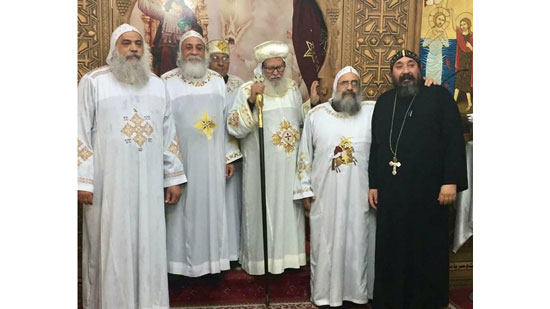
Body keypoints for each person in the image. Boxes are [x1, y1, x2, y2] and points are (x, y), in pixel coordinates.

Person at [78, 24, 186, 308]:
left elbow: (168, 134)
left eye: (138, 43)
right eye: (126, 43)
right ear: (115, 48)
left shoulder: (156, 84)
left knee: (148, 245)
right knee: (111, 245)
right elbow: (79, 133)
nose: (134, 49)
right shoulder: (93, 82)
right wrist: (83, 181)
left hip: (149, 185)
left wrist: (172, 177)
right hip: (108, 185)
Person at [368, 49, 468, 309]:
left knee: (427, 249)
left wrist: (451, 181)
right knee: (393, 249)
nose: (405, 71)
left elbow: (453, 141)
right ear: (393, 73)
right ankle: (391, 302)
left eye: (410, 65)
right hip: (392, 192)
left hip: (430, 192)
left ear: (419, 70)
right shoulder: (384, 101)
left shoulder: (438, 97)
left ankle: (428, 302)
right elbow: (377, 146)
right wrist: (374, 183)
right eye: (399, 66)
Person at [293, 66, 376, 307]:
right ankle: (323, 294)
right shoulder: (316, 115)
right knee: (325, 245)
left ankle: (356, 294)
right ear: (336, 87)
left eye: (354, 83)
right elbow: (304, 155)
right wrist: (304, 189)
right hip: (325, 196)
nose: (349, 88)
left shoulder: (371, 113)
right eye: (344, 83)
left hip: (360, 195)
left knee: (358, 243)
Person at [162, 30, 242, 278]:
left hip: (212, 160)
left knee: (212, 210)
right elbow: (163, 126)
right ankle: (178, 267)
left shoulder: (218, 80)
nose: (194, 52)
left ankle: (212, 265)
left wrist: (229, 156)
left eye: (199, 47)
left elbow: (226, 118)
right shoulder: (166, 82)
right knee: (180, 216)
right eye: (189, 47)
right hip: (181, 161)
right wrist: (169, 169)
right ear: (180, 52)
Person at [227, 41, 310, 275]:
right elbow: (234, 127)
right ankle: (260, 262)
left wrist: (312, 103)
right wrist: (252, 101)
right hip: (261, 168)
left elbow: (300, 122)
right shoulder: (247, 90)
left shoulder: (293, 88)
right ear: (261, 69)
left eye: (279, 68)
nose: (275, 73)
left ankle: (290, 259)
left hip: (289, 166)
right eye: (270, 68)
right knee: (262, 211)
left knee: (288, 211)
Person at [207, 39, 246, 265]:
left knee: (231, 205)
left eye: (224, 59)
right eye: (215, 58)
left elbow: (238, 121)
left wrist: (229, 155)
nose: (221, 63)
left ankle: (231, 253)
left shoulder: (239, 85)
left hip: (233, 156)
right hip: (207, 153)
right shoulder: (201, 84)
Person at [138, 0, 202, 76]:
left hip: (184, 56)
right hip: (167, 55)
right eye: (173, 5)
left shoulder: (189, 21)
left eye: (178, 5)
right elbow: (145, 6)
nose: (176, 8)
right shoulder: (166, 16)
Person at [454, 16, 473, 111]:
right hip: (462, 61)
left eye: (464, 24)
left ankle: (469, 103)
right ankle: (454, 101)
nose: (462, 26)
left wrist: (470, 47)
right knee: (458, 81)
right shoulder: (460, 36)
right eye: (461, 24)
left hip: (469, 62)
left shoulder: (473, 36)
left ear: (468, 25)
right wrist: (452, 15)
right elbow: (455, 28)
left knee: (466, 84)